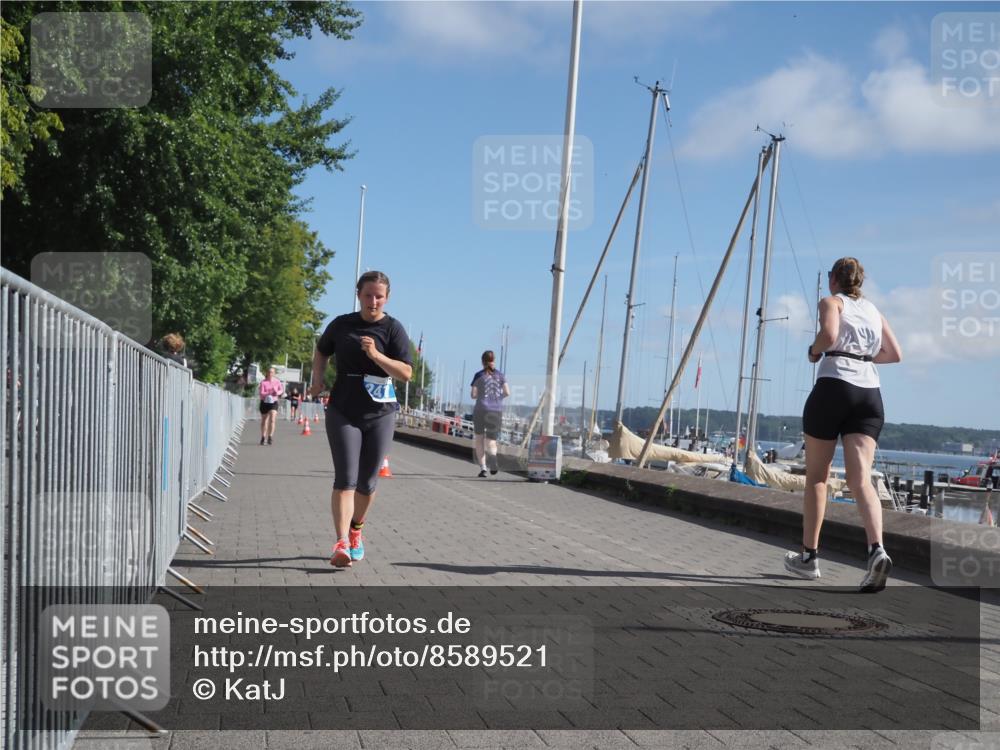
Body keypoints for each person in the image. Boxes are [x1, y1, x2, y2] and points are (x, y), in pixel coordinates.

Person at [783, 257, 902, 592]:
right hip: (870, 395)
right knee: (860, 478)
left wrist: (813, 351)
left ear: (834, 279)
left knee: (818, 477)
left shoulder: (831, 302)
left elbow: (829, 333)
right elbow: (894, 353)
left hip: (834, 388)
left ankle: (809, 558)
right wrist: (863, 356)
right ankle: (876, 549)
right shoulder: (874, 311)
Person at [310, 271, 412, 567]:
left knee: (367, 483)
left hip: (379, 413)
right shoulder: (342, 325)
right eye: (368, 295)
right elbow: (321, 351)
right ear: (359, 295)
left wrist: (377, 356)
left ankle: (356, 531)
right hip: (343, 408)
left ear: (387, 298)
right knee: (345, 479)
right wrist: (318, 379)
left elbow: (405, 373)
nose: (373, 301)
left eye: (379, 296)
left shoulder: (393, 330)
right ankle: (340, 542)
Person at [470, 350, 509, 478]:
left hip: (481, 409)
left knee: (479, 440)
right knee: (491, 441)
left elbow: (473, 395)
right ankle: (493, 458)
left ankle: (483, 469)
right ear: (494, 360)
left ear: (482, 361)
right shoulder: (501, 375)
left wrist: (482, 395)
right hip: (496, 410)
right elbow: (507, 392)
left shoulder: (478, 375)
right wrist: (498, 398)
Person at [258, 367, 284, 445]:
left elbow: (281, 390)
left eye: (272, 372)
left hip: (274, 402)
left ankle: (270, 436)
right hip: (264, 402)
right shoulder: (263, 382)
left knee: (272, 418)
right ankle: (263, 437)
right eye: (269, 372)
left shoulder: (277, 381)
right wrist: (268, 393)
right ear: (267, 373)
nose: (270, 374)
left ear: (274, 373)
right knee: (264, 421)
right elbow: (261, 393)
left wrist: (277, 393)